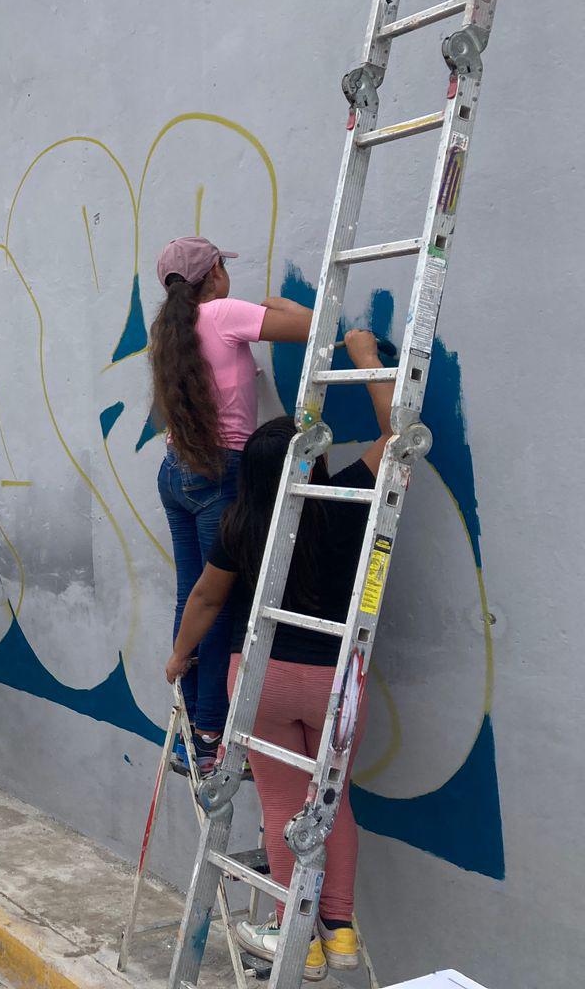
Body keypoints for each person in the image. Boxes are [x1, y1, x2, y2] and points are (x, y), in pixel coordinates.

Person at [166, 328, 389, 982]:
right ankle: (339, 933)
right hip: (336, 685)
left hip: (262, 680)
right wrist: (369, 361)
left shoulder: (242, 523)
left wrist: (180, 656)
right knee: (331, 803)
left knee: (280, 808)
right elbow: (396, 437)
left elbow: (207, 599)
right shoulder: (347, 501)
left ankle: (301, 937)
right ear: (313, 462)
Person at [149, 236, 312, 771]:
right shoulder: (223, 313)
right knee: (217, 604)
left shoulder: (168, 334)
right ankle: (211, 740)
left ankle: (193, 732)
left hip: (176, 473)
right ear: (214, 272)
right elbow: (315, 326)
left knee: (193, 597)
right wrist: (278, 307)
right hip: (221, 472)